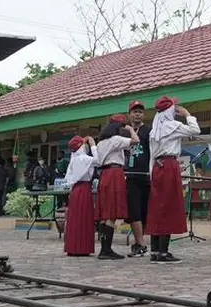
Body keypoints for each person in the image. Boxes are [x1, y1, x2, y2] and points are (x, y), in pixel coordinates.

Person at [145, 96, 201, 263]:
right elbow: (195, 130)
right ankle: (163, 252)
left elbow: (152, 156)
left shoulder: (154, 130)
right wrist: (187, 113)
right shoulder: (173, 126)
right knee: (168, 207)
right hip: (169, 166)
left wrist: (151, 173)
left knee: (157, 208)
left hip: (157, 167)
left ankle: (155, 251)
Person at [95, 114, 139, 260]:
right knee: (112, 212)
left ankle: (104, 248)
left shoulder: (101, 143)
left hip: (104, 174)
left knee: (105, 213)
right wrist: (131, 129)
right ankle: (106, 250)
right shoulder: (116, 140)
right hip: (115, 173)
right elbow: (135, 141)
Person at [124, 100, 152, 258]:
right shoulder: (124, 132)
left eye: (140, 111)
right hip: (130, 177)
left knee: (145, 210)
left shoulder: (148, 131)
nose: (138, 114)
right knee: (134, 211)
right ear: (129, 114)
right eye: (135, 111)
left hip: (146, 175)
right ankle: (140, 243)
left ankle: (141, 241)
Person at [64, 135, 98, 256]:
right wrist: (94, 146)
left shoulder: (74, 159)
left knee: (74, 220)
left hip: (75, 191)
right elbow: (99, 161)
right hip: (83, 190)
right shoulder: (83, 158)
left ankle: (73, 247)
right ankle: (82, 248)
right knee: (83, 218)